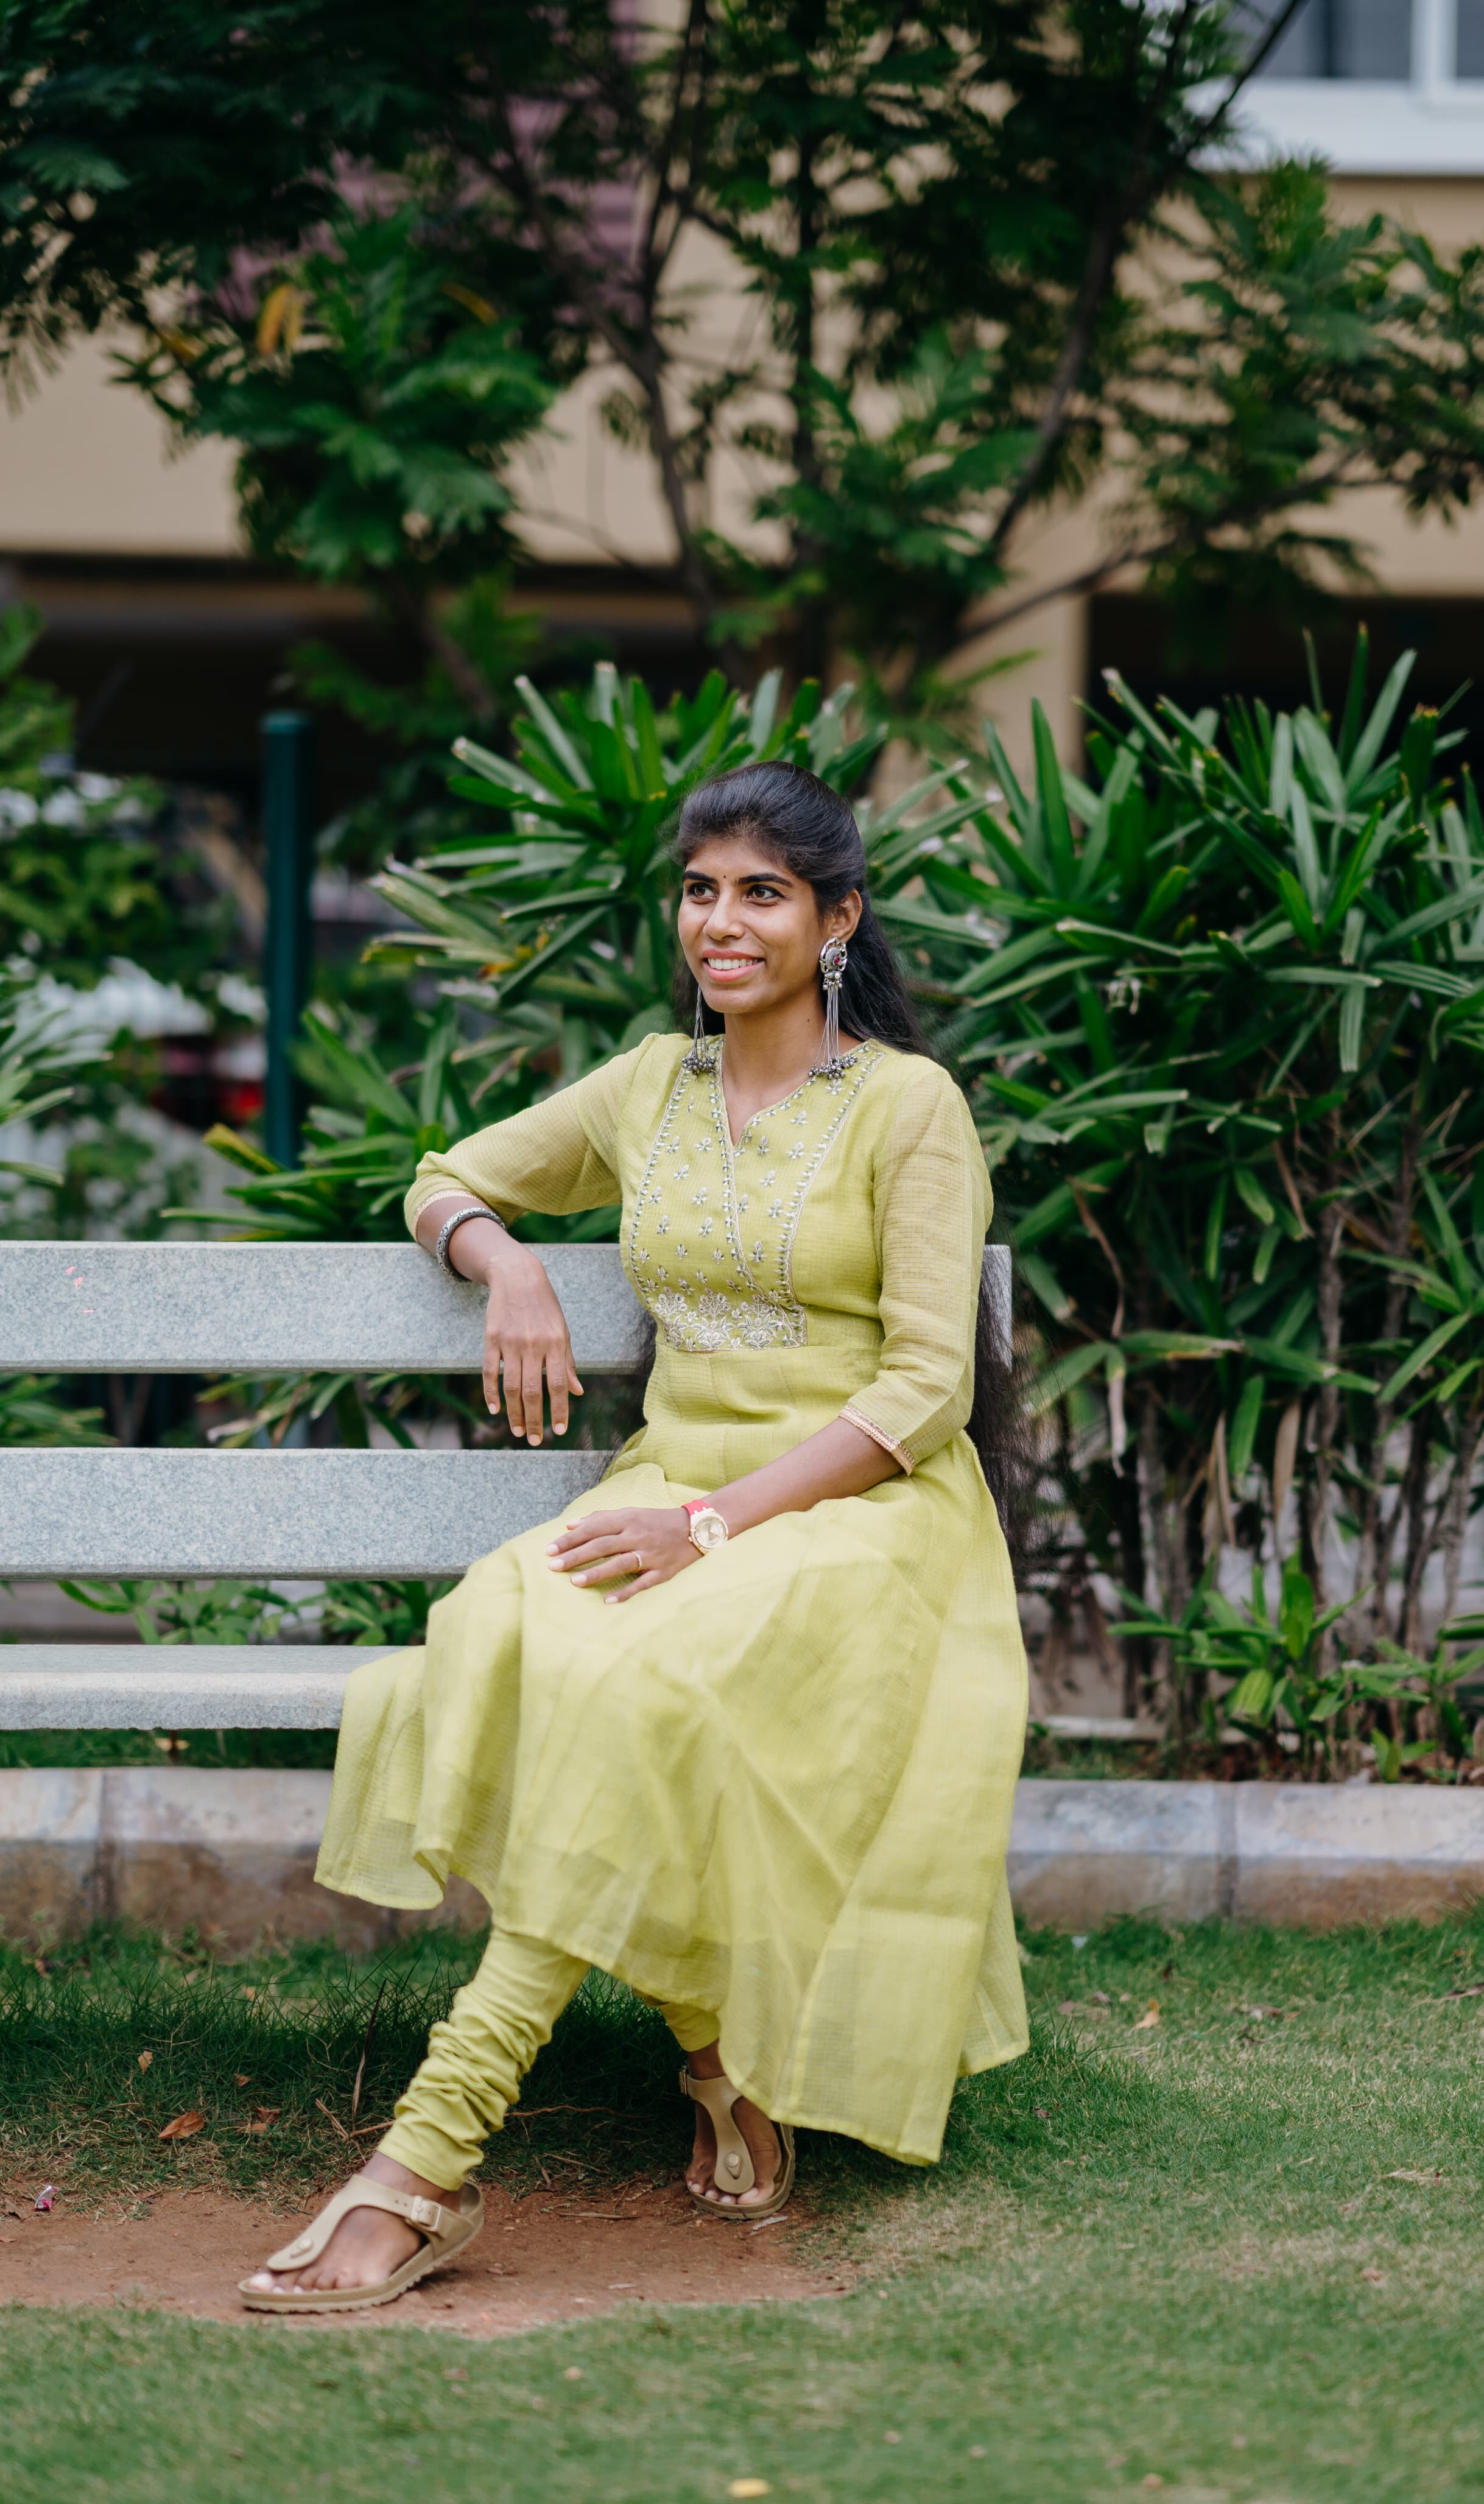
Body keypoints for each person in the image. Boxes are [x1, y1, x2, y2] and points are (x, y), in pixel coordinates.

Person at [239, 759, 1029, 2313]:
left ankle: (426, 2158)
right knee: (494, 1627)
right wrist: (509, 1264)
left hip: (852, 1514)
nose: (720, 922)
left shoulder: (908, 1108)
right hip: (663, 1486)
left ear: (835, 922)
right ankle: (717, 2055)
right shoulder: (650, 1086)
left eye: (762, 894)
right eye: (699, 889)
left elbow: (928, 1389)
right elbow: (443, 1178)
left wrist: (712, 1525)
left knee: (628, 1691)